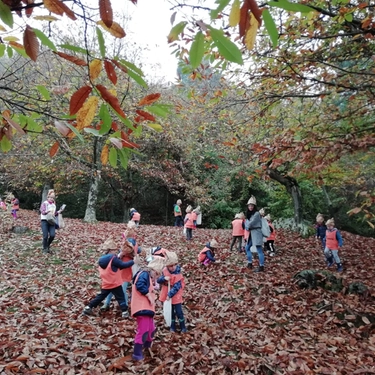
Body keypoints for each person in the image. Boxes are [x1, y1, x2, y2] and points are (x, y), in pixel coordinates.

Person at [83, 238, 138, 317]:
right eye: (114, 250)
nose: (115, 251)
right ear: (110, 250)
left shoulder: (102, 259)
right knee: (121, 297)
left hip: (106, 282)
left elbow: (114, 266)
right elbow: (122, 265)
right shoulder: (113, 258)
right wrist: (133, 261)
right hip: (115, 283)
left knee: (101, 296)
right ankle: (124, 311)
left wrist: (120, 256)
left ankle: (89, 307)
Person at [131, 256, 166, 361]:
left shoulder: (148, 277)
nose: (157, 277)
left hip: (147, 309)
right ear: (154, 271)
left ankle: (147, 346)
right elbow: (139, 285)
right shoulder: (144, 274)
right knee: (143, 331)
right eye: (157, 274)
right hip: (142, 309)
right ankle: (137, 353)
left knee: (151, 329)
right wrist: (148, 295)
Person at [101, 240, 137, 313]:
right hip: (117, 275)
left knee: (123, 291)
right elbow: (115, 261)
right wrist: (120, 255)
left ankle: (125, 306)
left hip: (126, 276)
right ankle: (106, 304)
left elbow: (135, 264)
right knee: (111, 290)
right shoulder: (119, 255)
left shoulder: (133, 257)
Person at [157, 251, 187, 333]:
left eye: (174, 265)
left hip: (175, 296)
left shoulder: (178, 274)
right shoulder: (164, 271)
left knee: (179, 311)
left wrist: (170, 294)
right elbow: (158, 280)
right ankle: (172, 326)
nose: (173, 267)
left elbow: (177, 286)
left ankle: (183, 327)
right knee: (170, 311)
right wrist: (163, 279)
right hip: (166, 294)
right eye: (170, 266)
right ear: (167, 266)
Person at [244, 195, 265, 272]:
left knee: (259, 250)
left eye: (252, 205)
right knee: (247, 248)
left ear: (254, 206)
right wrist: (247, 225)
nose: (250, 207)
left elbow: (250, 223)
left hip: (256, 232)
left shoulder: (256, 214)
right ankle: (250, 263)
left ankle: (261, 266)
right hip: (252, 233)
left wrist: (247, 225)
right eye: (249, 205)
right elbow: (247, 224)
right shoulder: (250, 214)